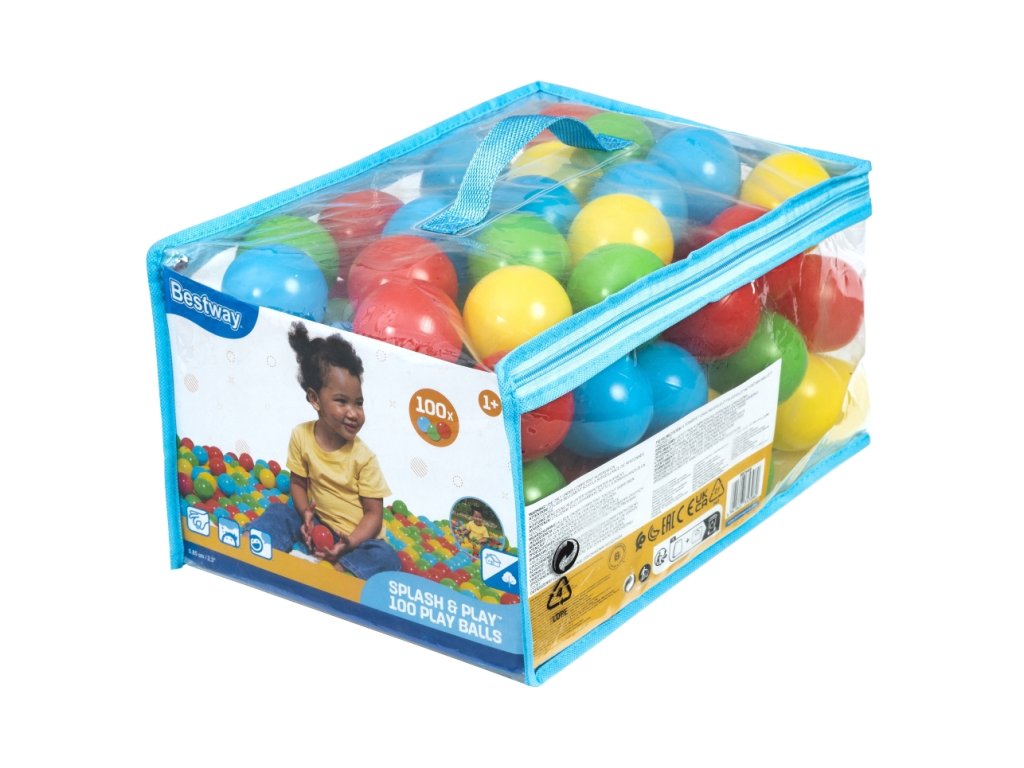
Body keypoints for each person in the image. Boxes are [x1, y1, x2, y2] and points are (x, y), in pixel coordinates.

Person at [248, 322, 400, 579]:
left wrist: (349, 543)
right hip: (319, 525)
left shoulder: (364, 458)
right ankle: (251, 546)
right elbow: (298, 483)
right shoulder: (301, 436)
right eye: (342, 401)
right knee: (280, 512)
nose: (353, 413)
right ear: (315, 399)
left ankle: (336, 571)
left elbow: (374, 515)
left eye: (359, 403)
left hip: (358, 540)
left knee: (387, 557)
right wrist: (306, 513)